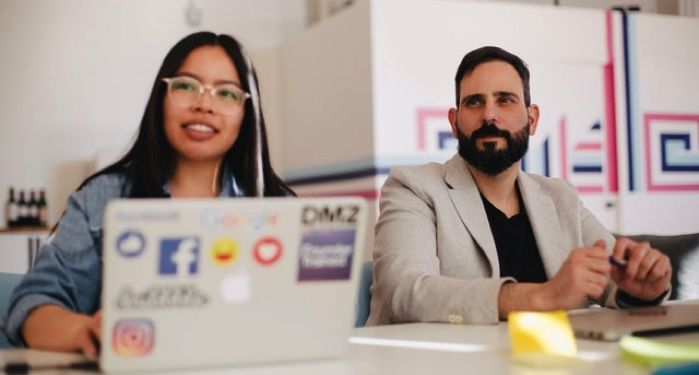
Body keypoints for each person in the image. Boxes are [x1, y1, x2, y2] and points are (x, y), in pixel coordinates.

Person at [2, 32, 293, 354]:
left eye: (226, 93)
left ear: (246, 113)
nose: (204, 104)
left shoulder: (280, 207)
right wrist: (85, 331)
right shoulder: (101, 199)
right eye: (186, 86)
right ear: (161, 99)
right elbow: (32, 304)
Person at [367, 46, 671, 325]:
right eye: (474, 102)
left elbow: (612, 281)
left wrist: (641, 287)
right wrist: (542, 297)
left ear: (532, 118)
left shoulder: (560, 197)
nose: (489, 115)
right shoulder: (414, 187)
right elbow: (404, 293)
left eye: (505, 99)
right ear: (454, 122)